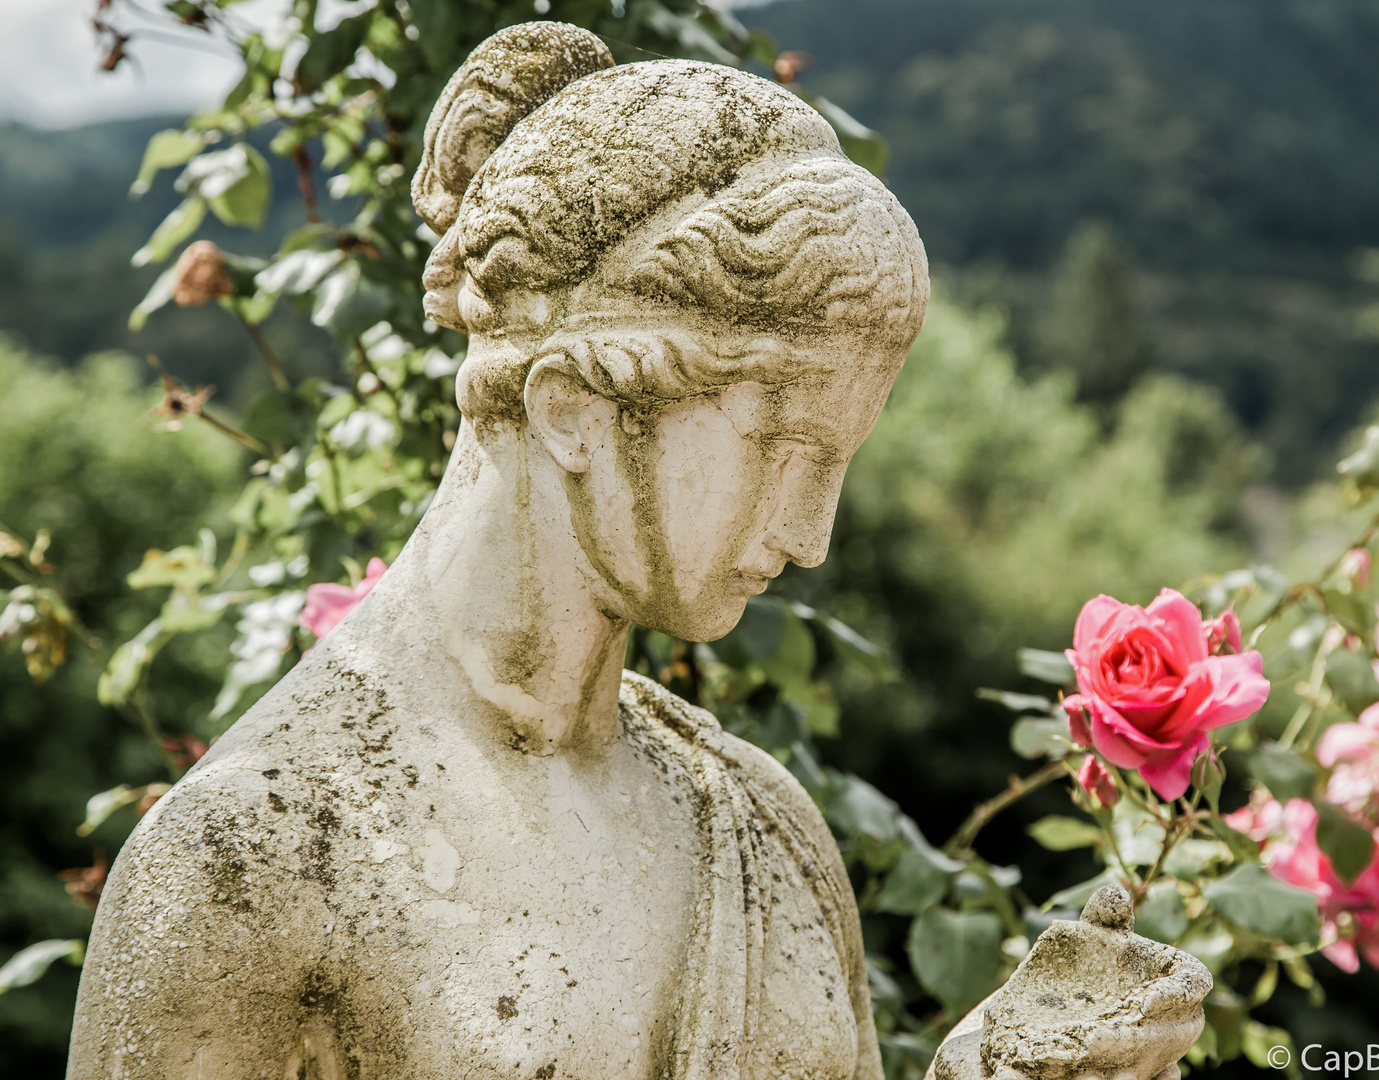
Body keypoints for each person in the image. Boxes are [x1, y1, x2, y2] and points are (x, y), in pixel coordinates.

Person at [66, 23, 928, 1080]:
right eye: (790, 450)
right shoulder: (259, 853)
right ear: (573, 410)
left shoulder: (763, 826)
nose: (810, 536)